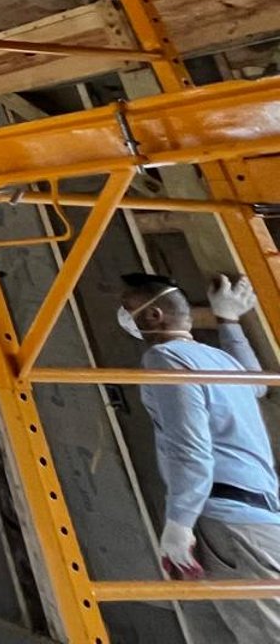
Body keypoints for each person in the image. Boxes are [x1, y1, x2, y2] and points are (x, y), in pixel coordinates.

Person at [120, 270, 280, 640]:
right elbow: (255, 385)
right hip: (254, 515)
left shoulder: (165, 358)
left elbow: (190, 448)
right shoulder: (215, 359)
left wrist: (179, 522)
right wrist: (229, 321)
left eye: (126, 309)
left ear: (153, 316)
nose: (123, 318)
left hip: (225, 524)